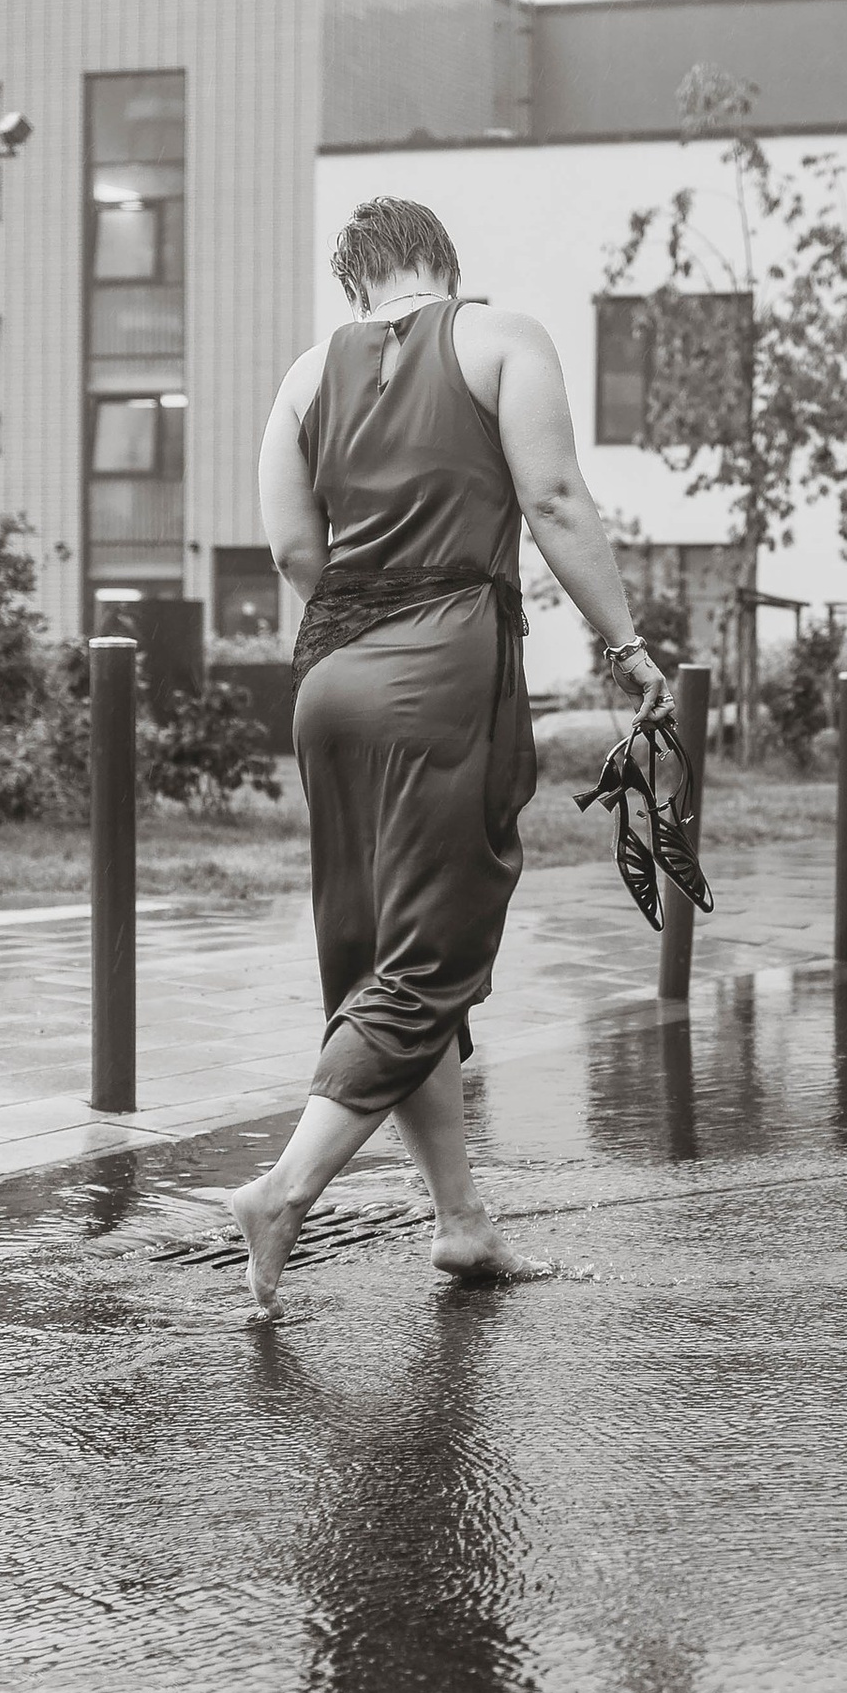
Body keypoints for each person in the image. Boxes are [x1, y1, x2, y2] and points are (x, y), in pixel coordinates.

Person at [228, 195, 670, 1310]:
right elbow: (556, 499)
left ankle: (463, 1227)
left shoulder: (298, 379)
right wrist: (621, 644)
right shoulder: (502, 337)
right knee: (434, 955)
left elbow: (291, 548)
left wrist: (363, 623)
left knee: (385, 952)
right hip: (442, 671)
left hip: (329, 677)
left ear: (354, 285)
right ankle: (284, 1189)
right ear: (442, 261)